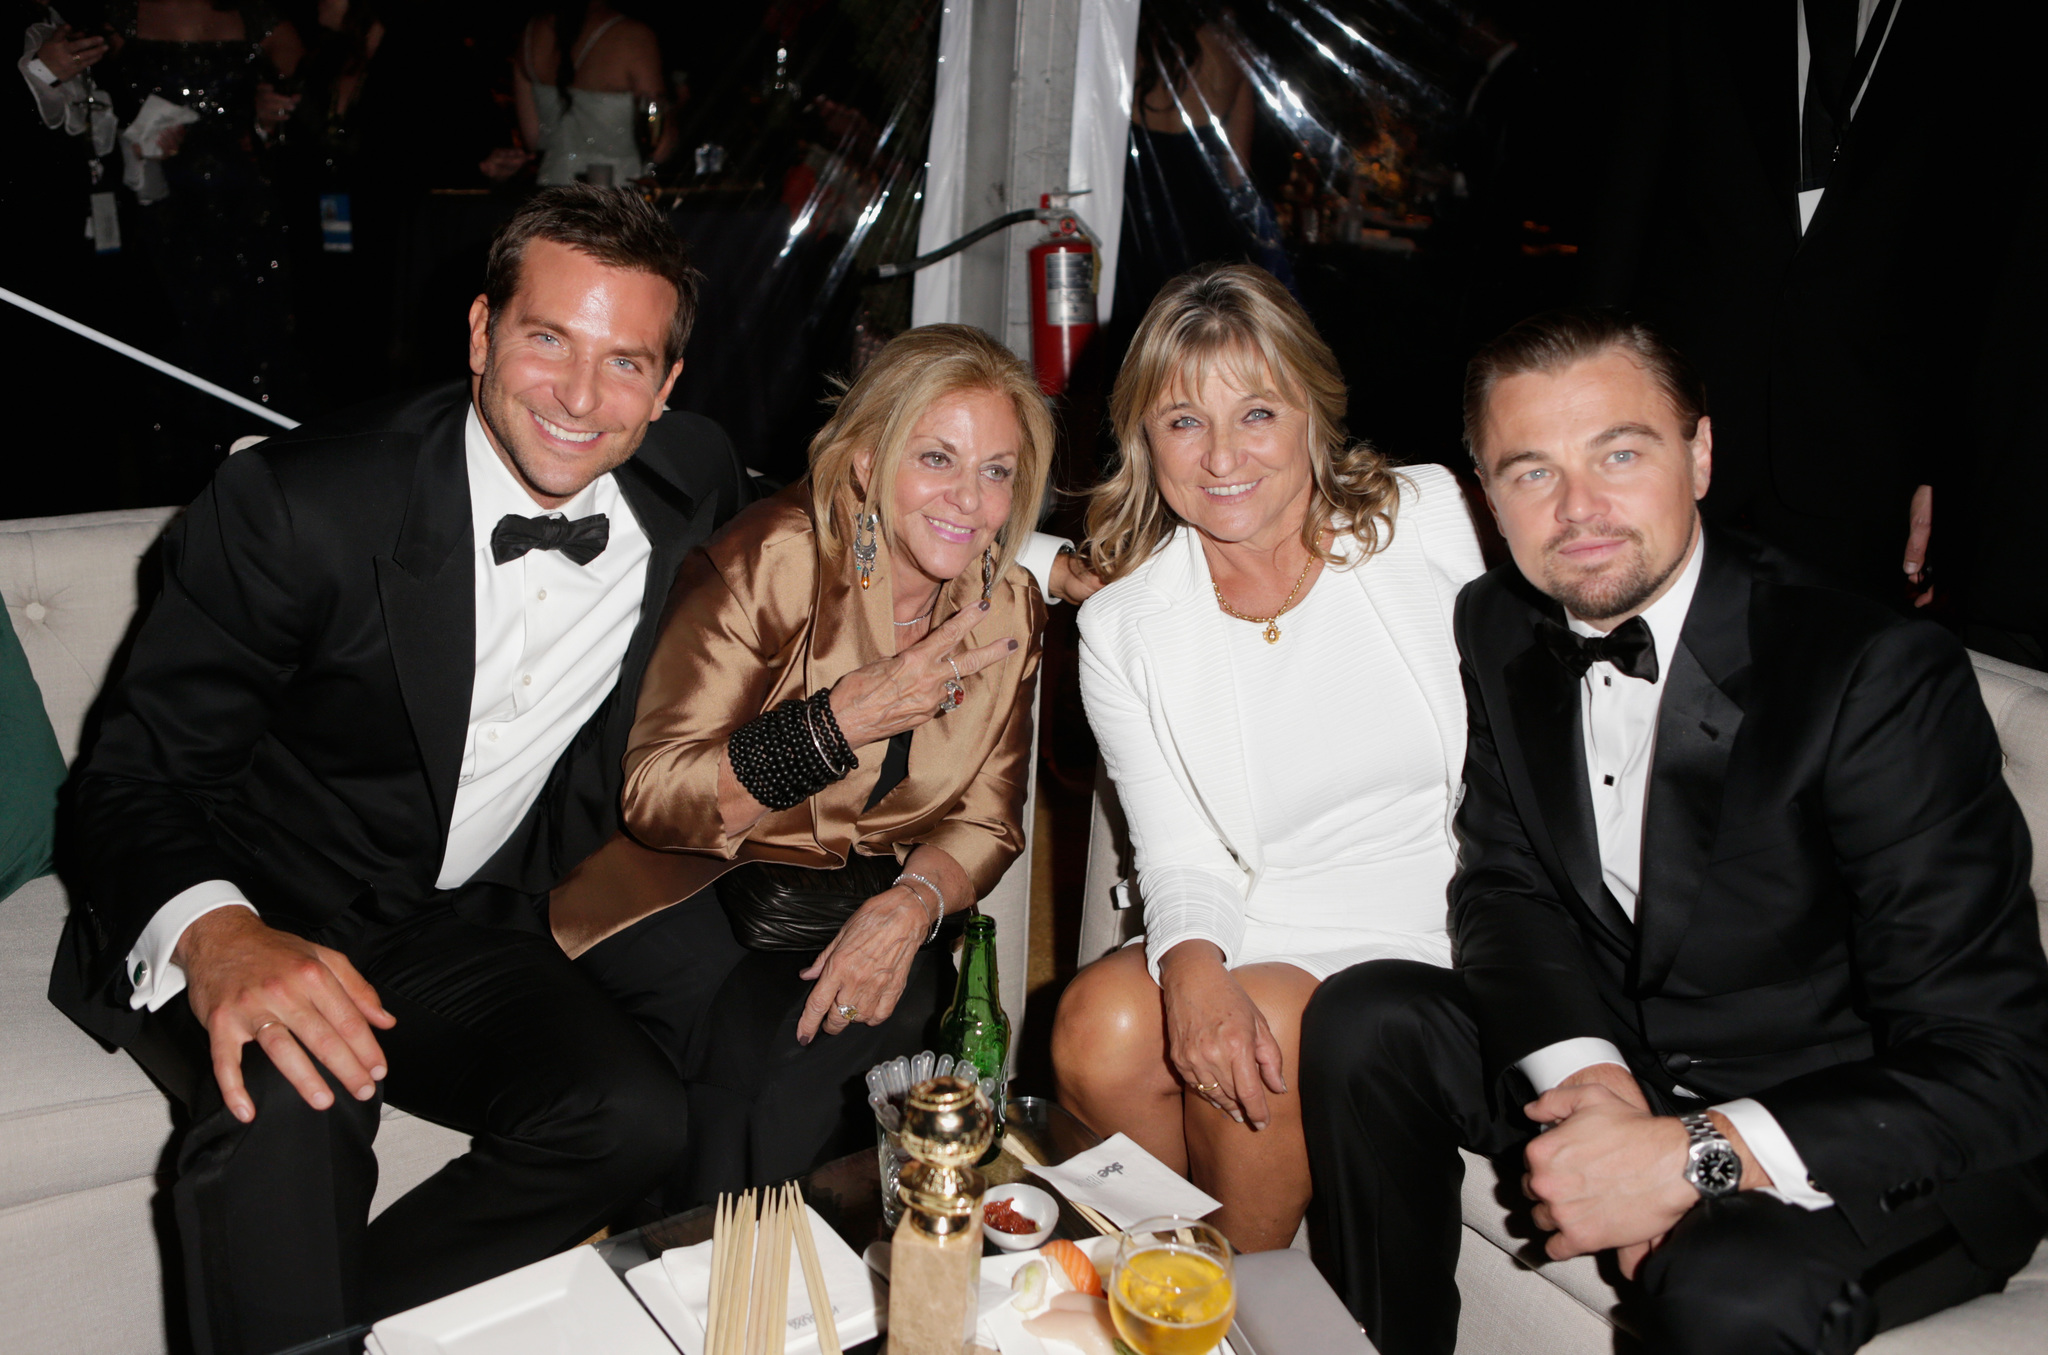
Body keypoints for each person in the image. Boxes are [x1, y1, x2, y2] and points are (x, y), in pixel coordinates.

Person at [48, 185, 753, 1354]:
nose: (581, 399)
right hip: (246, 892)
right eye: (546, 340)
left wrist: (1025, 557)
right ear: (480, 333)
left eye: (625, 362)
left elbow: (842, 526)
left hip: (447, 919)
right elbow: (128, 779)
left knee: (630, 1115)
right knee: (293, 1097)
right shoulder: (297, 506)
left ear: (669, 387)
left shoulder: (693, 478)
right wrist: (221, 937)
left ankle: (329, 1325)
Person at [1299, 308, 2048, 1354]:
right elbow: (1503, 887)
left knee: (1728, 1284)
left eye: (1618, 451)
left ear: (1697, 452)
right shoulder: (1499, 622)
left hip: (1857, 1117)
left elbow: (1997, 1064)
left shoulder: (1869, 672)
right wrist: (1589, 1080)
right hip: (1639, 1060)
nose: (1578, 509)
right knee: (1367, 1018)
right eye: (1530, 472)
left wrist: (1687, 1157)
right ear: (1485, 499)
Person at [558, 323, 1053, 1204]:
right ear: (866, 462)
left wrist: (914, 902)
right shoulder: (778, 559)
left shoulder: (1006, 606)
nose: (972, 502)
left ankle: (816, 1275)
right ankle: (720, 1286)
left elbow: (987, 819)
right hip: (686, 879)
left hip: (846, 899)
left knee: (899, 1004)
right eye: (936, 458)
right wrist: (840, 721)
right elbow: (656, 793)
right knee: (773, 1047)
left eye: (997, 470)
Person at [1049, 264, 1485, 1252]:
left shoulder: (1424, 519)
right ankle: (1160, 1285)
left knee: (1268, 1036)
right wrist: (1193, 965)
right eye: (1181, 421)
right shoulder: (1125, 624)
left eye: (1255, 412)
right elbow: (1176, 848)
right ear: (1141, 439)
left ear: (1311, 416)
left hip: (1440, 923)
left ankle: (1242, 1308)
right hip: (1260, 912)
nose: (1220, 456)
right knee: (1096, 1027)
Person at [1585, 1, 2038, 610]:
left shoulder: (2000, 30)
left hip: (1871, 455)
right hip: (1673, 417)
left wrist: (1949, 472)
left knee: (1824, 685)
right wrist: (1583, 414)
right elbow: (1622, 201)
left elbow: (1991, 273)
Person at [513, 0, 673, 188]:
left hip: (554, 192)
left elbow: (533, 140)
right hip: (618, 194)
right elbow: (661, 144)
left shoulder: (531, 33)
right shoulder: (633, 36)